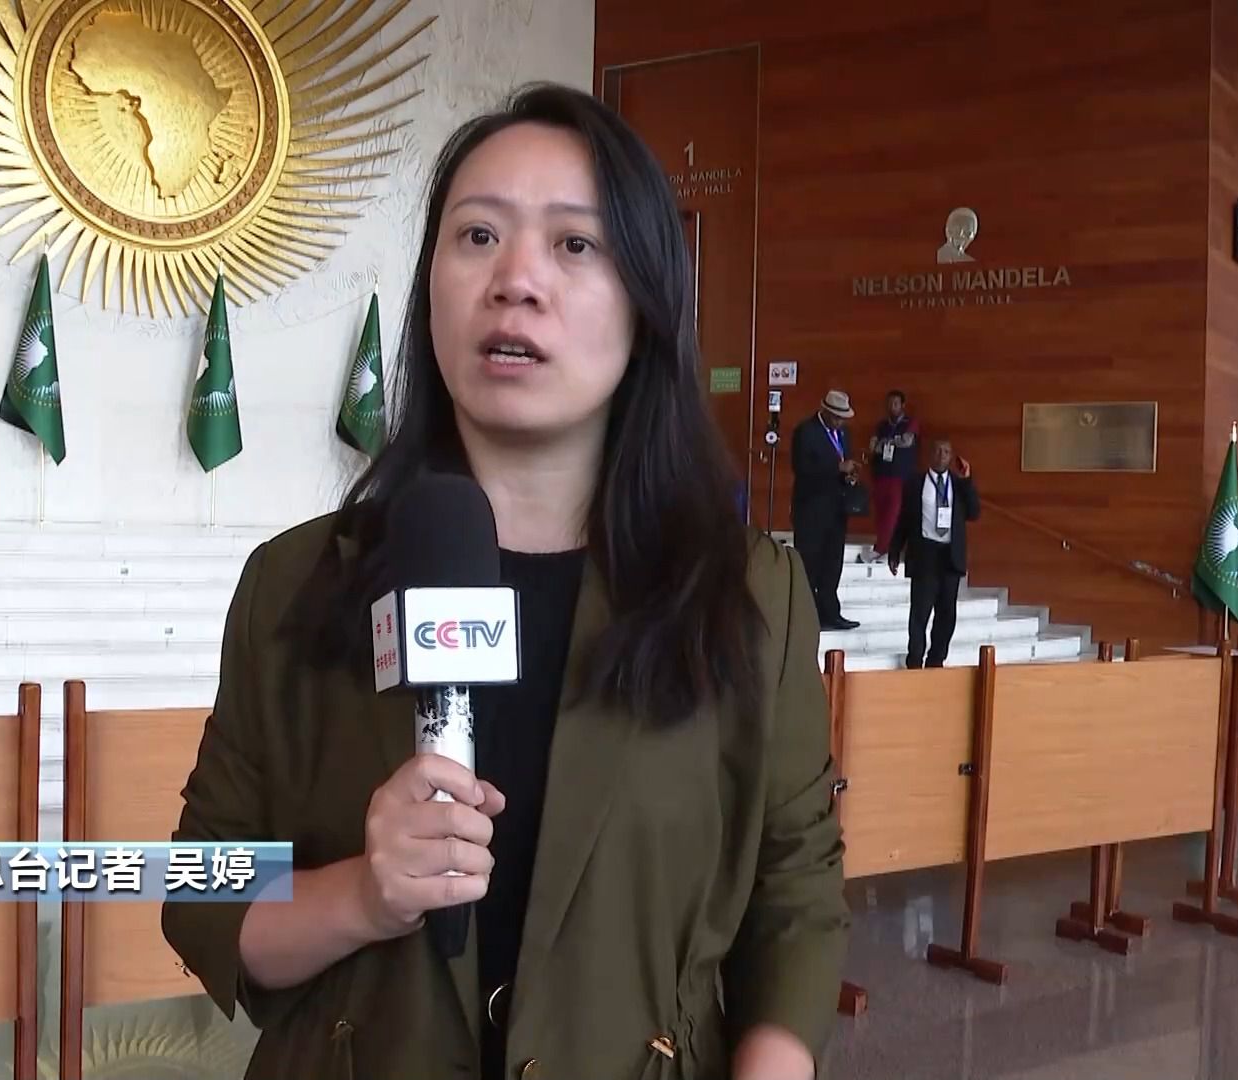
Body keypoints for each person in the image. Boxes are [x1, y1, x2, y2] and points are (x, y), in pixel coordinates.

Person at [161, 84, 849, 1080]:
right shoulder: (296, 582)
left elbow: (797, 900)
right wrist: (364, 894)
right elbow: (201, 891)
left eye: (575, 244)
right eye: (478, 235)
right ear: (430, 288)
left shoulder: (750, 598)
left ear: (648, 303)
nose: (516, 280)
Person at [887, 438, 977, 669]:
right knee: (920, 612)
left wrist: (967, 481)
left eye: (946, 452)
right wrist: (895, 549)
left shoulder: (958, 484)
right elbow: (904, 519)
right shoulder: (915, 483)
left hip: (950, 556)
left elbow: (974, 512)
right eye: (937, 451)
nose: (941, 455)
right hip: (924, 554)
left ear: (951, 456)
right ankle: (915, 659)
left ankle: (936, 660)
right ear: (930, 454)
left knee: (946, 613)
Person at [790, 389, 861, 631]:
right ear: (825, 411)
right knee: (809, 564)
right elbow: (802, 469)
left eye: (843, 418)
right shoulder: (805, 432)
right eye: (837, 417)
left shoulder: (843, 434)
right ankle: (808, 617)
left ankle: (831, 613)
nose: (840, 422)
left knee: (832, 564)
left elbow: (843, 462)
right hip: (811, 510)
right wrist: (837, 468)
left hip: (836, 509)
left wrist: (849, 476)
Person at [862, 390, 919, 565]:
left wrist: (885, 442)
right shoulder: (881, 425)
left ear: (903, 405)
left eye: (896, 403)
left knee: (892, 514)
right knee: (880, 513)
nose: (892, 407)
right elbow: (873, 447)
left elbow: (907, 441)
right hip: (881, 474)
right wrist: (889, 442)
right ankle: (883, 546)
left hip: (900, 476)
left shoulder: (911, 423)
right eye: (889, 403)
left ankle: (881, 548)